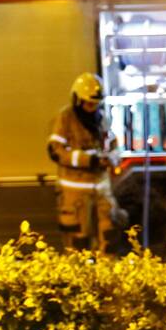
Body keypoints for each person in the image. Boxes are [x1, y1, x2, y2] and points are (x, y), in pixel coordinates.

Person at [47, 72, 128, 253]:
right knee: (78, 242)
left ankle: (106, 275)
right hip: (75, 195)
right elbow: (55, 151)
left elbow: (114, 146)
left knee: (110, 235)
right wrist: (89, 160)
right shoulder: (65, 119)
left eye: (96, 104)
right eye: (89, 103)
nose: (92, 108)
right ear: (78, 100)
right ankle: (81, 277)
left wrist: (112, 159)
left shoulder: (102, 120)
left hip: (101, 191)